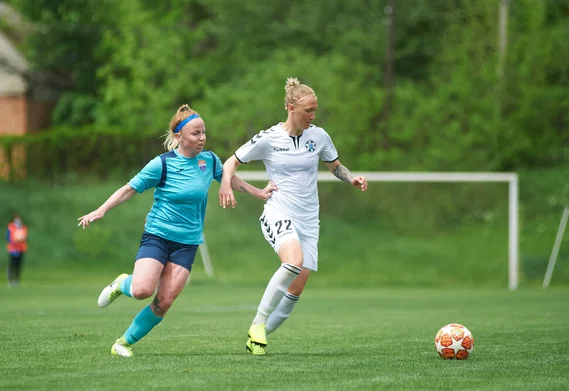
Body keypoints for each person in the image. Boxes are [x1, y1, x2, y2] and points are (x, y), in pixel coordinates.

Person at [78, 104, 276, 357]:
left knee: (164, 302)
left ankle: (123, 343)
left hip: (187, 243)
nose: (202, 138)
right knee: (141, 290)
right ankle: (122, 283)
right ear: (179, 136)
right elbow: (129, 189)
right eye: (196, 133)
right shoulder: (162, 164)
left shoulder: (209, 160)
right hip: (158, 237)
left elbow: (231, 179)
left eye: (204, 132)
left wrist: (258, 192)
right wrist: (101, 209)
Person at [218, 77, 369, 355]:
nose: (312, 116)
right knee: (293, 262)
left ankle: (256, 333)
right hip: (279, 210)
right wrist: (226, 183)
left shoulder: (319, 136)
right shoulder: (269, 138)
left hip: (309, 219)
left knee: (296, 288)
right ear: (290, 108)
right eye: (307, 111)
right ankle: (259, 326)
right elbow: (231, 162)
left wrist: (351, 179)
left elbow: (335, 166)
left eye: (315, 110)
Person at [6, 213, 28, 288]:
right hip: (13, 249)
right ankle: (10, 280)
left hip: (21, 249)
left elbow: (24, 237)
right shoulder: (11, 227)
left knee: (18, 265)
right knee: (12, 265)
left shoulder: (23, 228)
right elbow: (9, 238)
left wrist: (20, 239)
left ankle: (16, 280)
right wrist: (15, 241)